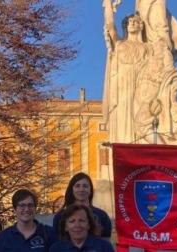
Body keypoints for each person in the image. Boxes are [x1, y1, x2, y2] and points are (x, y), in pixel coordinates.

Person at [103, 0, 149, 143]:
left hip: (141, 84)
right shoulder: (119, 44)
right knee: (124, 114)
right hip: (122, 84)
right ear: (125, 25)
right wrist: (108, 5)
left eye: (135, 21)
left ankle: (141, 146)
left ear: (140, 25)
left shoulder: (147, 47)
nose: (132, 24)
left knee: (141, 114)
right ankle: (124, 146)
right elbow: (110, 25)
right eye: (129, 22)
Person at [53, 173, 112, 240]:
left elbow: (106, 243)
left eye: (85, 186)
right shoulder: (61, 216)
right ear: (72, 189)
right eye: (77, 186)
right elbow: (57, 242)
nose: (81, 189)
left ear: (90, 190)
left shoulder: (101, 215)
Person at [50, 204, 115, 252]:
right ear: (66, 227)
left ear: (88, 225)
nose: (77, 225)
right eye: (72, 221)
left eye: (81, 220)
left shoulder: (104, 247)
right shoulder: (56, 249)